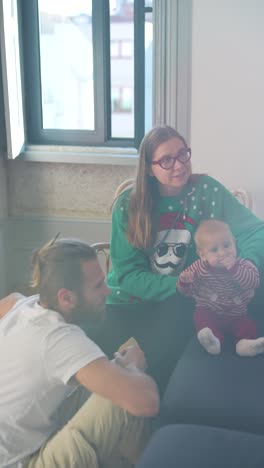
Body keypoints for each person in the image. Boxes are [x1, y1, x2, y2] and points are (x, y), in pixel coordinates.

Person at [91, 125, 264, 392]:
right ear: (149, 168)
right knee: (88, 348)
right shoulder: (128, 204)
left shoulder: (208, 191)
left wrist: (248, 263)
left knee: (172, 341)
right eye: (167, 160)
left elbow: (255, 230)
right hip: (127, 301)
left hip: (177, 303)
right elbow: (127, 275)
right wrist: (184, 284)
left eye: (183, 154)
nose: (179, 165)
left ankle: (149, 406)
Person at [0, 238, 159, 468]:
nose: (108, 290)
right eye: (97, 286)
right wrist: (134, 366)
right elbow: (147, 402)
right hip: (23, 462)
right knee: (126, 395)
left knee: (115, 379)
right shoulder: (58, 339)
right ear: (66, 297)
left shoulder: (18, 304)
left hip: (23, 438)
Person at [177, 219, 264, 356]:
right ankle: (212, 341)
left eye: (226, 245)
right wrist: (185, 282)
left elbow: (253, 283)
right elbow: (188, 292)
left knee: (247, 325)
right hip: (210, 310)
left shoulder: (242, 264)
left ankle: (245, 344)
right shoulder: (199, 268)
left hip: (236, 313)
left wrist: (234, 268)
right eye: (214, 250)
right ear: (202, 255)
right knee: (201, 317)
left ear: (234, 243)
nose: (222, 253)